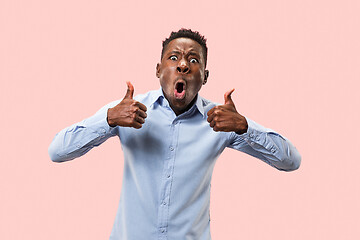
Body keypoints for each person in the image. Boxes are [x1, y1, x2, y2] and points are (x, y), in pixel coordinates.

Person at [48, 28, 301, 240]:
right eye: (173, 58)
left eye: (193, 60)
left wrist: (245, 126)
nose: (182, 65)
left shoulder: (221, 121)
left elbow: (291, 161)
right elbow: (58, 151)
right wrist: (108, 119)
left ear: (205, 76)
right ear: (158, 70)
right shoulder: (128, 110)